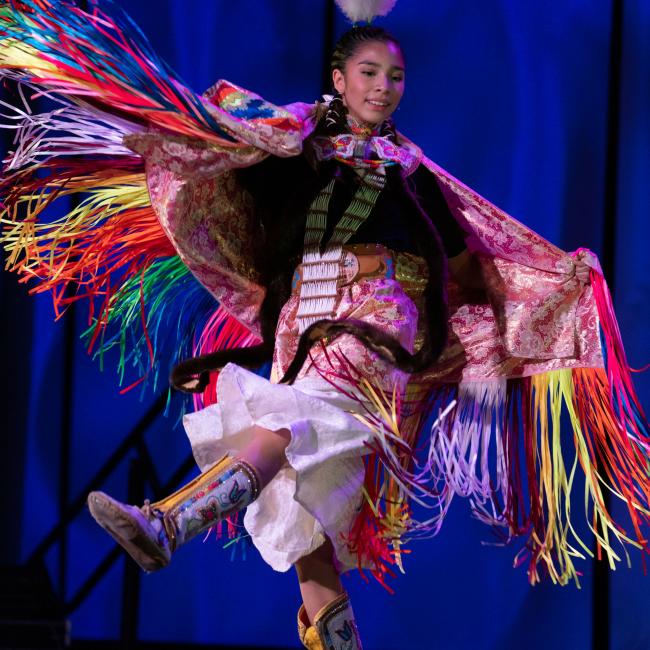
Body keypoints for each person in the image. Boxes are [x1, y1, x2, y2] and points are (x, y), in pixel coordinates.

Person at [0, 3, 645, 649]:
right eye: (369, 72)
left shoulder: (412, 175)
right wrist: (213, 128)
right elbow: (224, 157)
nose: (383, 87)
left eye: (395, 76)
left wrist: (558, 275)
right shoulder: (295, 148)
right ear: (338, 79)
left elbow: (469, 266)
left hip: (376, 321)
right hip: (300, 324)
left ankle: (169, 521)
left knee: (287, 428)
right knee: (303, 517)